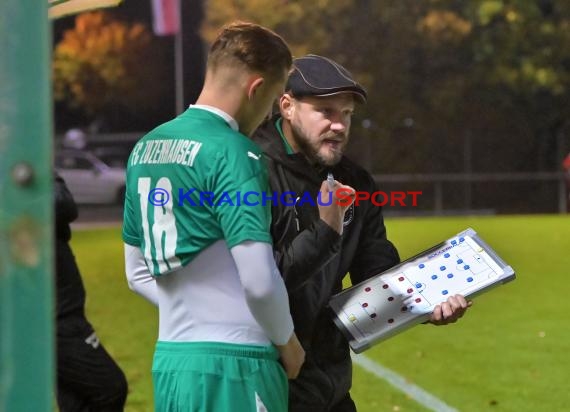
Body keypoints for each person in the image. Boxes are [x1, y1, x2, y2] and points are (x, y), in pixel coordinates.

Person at [251, 54, 471, 412]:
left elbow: (377, 273)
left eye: (347, 114)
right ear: (287, 106)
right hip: (266, 385)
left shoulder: (356, 182)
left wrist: (426, 301)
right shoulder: (249, 171)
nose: (339, 125)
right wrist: (326, 229)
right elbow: (257, 281)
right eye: (326, 111)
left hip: (331, 387)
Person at [122, 22, 305, 411]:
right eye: (273, 99)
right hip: (236, 367)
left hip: (172, 362)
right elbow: (258, 281)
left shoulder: (145, 148)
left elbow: (136, 274)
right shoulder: (234, 152)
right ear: (256, 88)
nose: (269, 112)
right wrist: (287, 341)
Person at [55, 173, 128, 411]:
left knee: (75, 398)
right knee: (110, 387)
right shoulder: (17, 175)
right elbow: (62, 204)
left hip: (57, 310)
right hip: (56, 318)